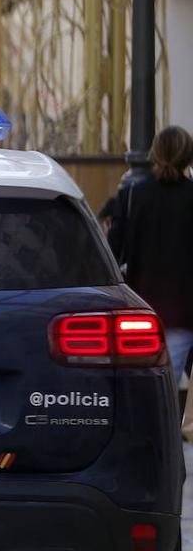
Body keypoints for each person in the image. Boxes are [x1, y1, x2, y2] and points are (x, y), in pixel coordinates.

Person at [109, 125, 193, 376]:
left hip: (142, 306)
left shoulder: (132, 193)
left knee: (150, 388)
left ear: (154, 154)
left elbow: (114, 249)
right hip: (186, 309)